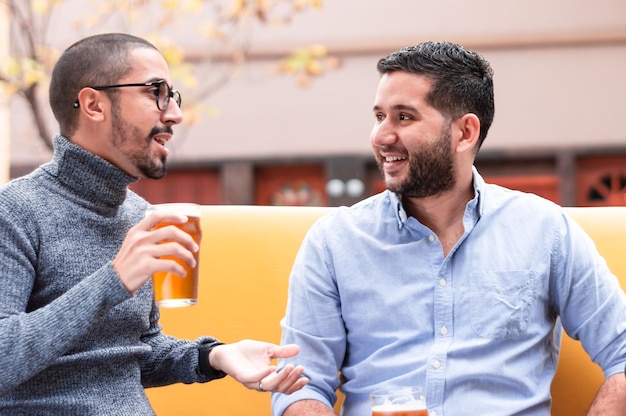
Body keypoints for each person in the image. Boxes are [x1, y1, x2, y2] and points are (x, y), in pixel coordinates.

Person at [271, 41, 626, 415]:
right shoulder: (334, 242)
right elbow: (301, 383)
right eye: (379, 117)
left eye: (404, 117)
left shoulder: (545, 231)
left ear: (465, 132)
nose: (381, 136)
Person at [0, 33, 308, 414]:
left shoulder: (138, 215)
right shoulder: (13, 212)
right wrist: (113, 280)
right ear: (94, 105)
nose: (175, 113)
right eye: (155, 92)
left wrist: (214, 356)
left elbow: (133, 355)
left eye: (172, 96)